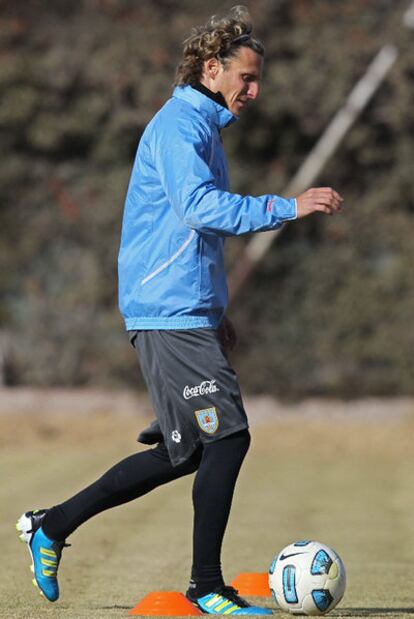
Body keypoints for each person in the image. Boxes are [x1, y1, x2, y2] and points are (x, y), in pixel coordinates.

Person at [16, 6, 342, 615]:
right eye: (246, 77)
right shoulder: (178, 129)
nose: (254, 90)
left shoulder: (204, 130)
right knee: (230, 440)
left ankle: (52, 526)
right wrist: (287, 207)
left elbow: (189, 237)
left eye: (258, 80)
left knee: (184, 452)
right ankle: (206, 587)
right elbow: (200, 209)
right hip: (167, 313)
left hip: (184, 313)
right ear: (212, 69)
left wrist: (215, 309)